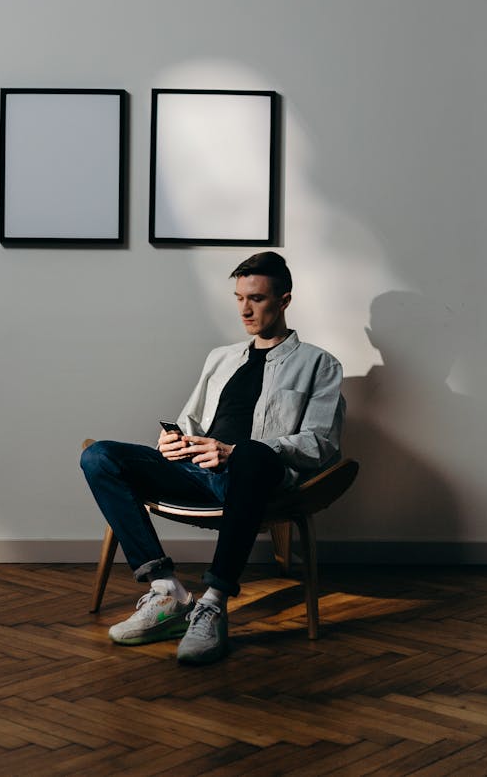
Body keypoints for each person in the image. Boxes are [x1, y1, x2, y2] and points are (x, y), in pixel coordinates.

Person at [80, 251, 345, 665]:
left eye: (256, 298)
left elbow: (321, 443)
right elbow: (190, 421)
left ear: (285, 300)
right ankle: (168, 591)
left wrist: (238, 452)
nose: (244, 308)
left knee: (253, 455)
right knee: (99, 457)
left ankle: (215, 602)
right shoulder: (221, 358)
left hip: (257, 478)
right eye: (239, 297)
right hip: (196, 472)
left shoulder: (319, 364)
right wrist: (173, 443)